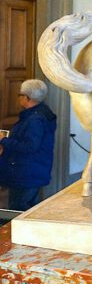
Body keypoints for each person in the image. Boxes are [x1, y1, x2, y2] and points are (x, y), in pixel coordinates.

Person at [0, 80, 56, 211]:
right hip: (34, 170)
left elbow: (30, 146)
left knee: (18, 209)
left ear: (26, 97)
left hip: (25, 173)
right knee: (30, 208)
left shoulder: (34, 119)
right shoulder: (42, 113)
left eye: (20, 94)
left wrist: (4, 140)